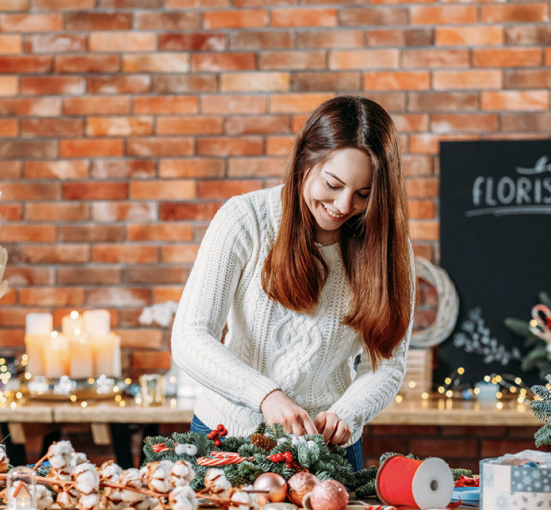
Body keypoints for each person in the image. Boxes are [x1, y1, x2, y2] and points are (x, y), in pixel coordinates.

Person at [170, 95, 415, 472]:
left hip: (328, 449)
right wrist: (265, 395)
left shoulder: (386, 247)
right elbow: (190, 336)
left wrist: (347, 412)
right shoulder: (245, 219)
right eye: (333, 184)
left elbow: (387, 364)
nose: (343, 205)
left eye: (363, 194)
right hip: (229, 436)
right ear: (305, 162)